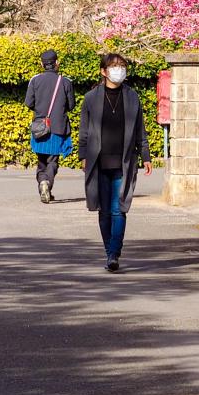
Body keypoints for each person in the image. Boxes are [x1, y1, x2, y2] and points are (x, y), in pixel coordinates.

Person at [78, 52, 151, 272]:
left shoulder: (132, 97)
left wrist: (145, 155)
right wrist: (83, 156)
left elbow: (140, 129)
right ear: (103, 71)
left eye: (121, 66)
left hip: (124, 161)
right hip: (98, 162)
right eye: (113, 66)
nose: (118, 70)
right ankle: (109, 249)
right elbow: (84, 131)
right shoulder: (91, 98)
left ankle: (114, 253)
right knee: (104, 211)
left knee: (119, 209)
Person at [23, 49, 73, 203]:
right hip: (58, 127)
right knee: (53, 160)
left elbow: (28, 103)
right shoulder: (65, 81)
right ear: (57, 63)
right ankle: (47, 183)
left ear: (41, 64)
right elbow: (71, 105)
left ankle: (43, 183)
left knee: (41, 160)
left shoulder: (35, 80)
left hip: (40, 126)